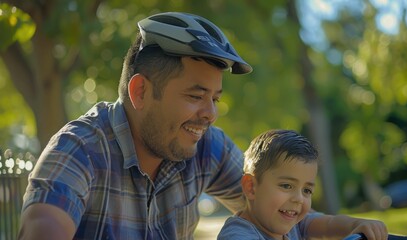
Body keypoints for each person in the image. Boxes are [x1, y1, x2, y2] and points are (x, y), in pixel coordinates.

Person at [18, 12, 252, 239]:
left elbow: (277, 209)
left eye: (215, 99)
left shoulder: (206, 145)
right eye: (195, 96)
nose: (211, 114)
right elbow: (45, 226)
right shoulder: (79, 150)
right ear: (140, 92)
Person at [217, 129, 388, 240]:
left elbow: (329, 224)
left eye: (307, 190)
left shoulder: (293, 224)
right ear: (251, 187)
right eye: (286, 186)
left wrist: (356, 225)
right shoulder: (237, 235)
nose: (299, 199)